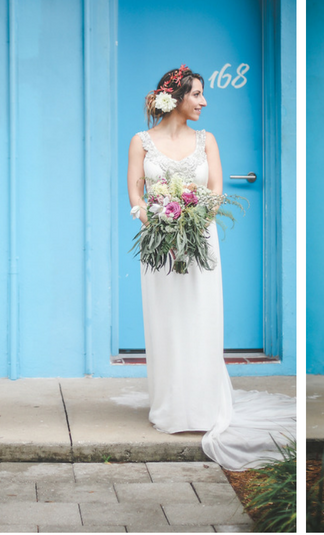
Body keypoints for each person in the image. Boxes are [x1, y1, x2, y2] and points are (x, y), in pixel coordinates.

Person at [127, 65, 294, 470]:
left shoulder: (207, 140)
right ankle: (169, 408)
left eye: (203, 94)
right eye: (197, 94)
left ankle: (202, 407)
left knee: (200, 319)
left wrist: (193, 220)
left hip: (201, 241)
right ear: (177, 97)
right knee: (165, 321)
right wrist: (158, 224)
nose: (204, 102)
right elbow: (135, 190)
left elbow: (216, 190)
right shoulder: (141, 141)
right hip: (158, 245)